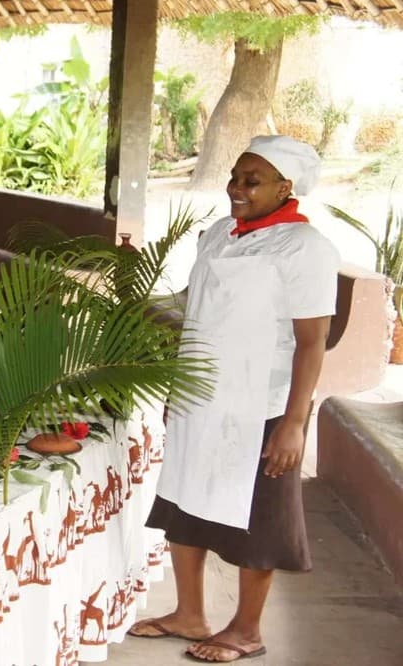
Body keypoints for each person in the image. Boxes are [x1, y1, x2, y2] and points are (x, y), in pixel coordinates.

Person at [127, 135, 339, 663]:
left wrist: (295, 423)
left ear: (285, 188)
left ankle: (246, 630)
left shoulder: (305, 248)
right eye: (235, 177)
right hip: (201, 396)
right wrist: (179, 387)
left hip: (260, 406)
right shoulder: (221, 233)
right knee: (182, 504)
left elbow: (312, 342)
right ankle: (189, 614)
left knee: (258, 520)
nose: (236, 189)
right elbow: (199, 310)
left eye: (252, 181)